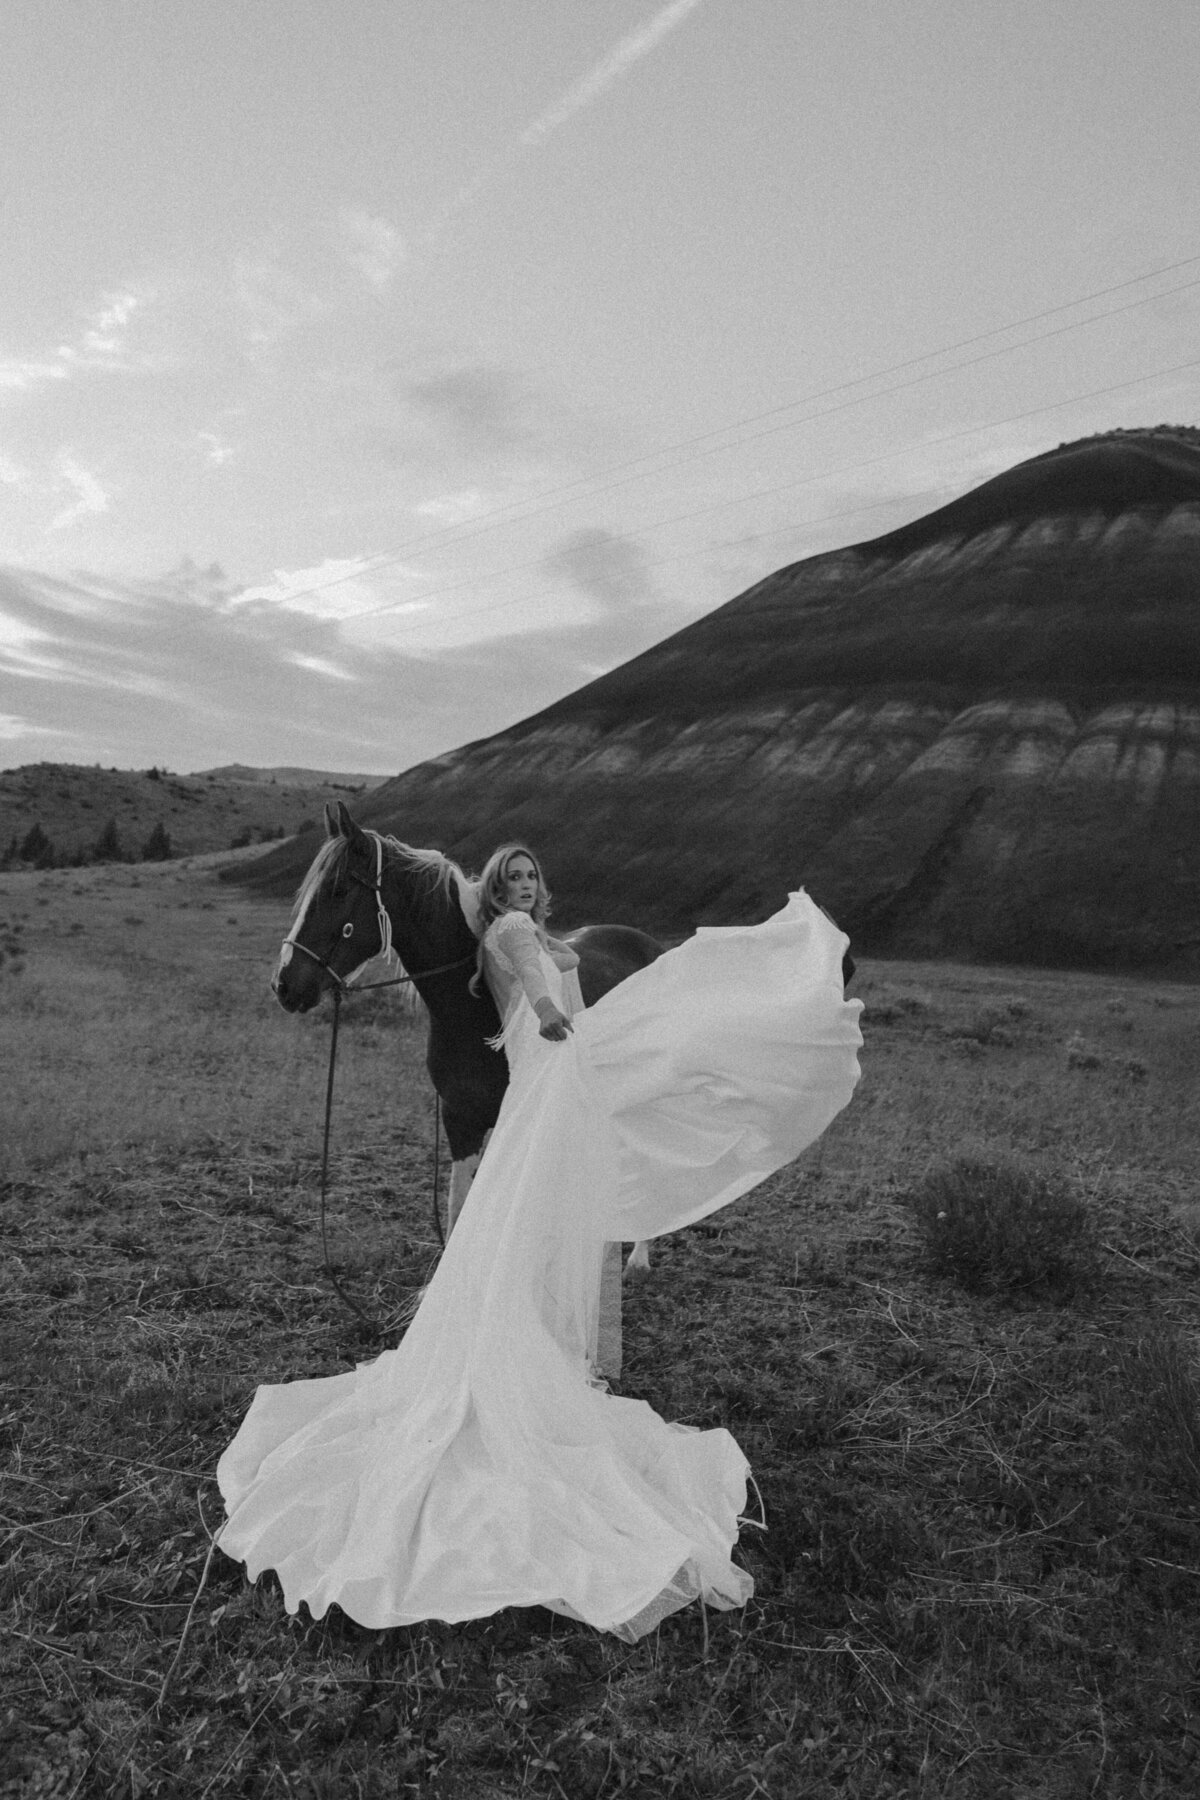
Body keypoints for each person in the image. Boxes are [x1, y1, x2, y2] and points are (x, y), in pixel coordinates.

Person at [217, 848, 863, 1642]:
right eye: (511, 881)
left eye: (530, 880)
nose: (523, 890)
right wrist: (569, 1022)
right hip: (554, 1066)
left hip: (537, 1074)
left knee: (515, 1201)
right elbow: (542, 1001)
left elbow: (531, 971)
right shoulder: (515, 931)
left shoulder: (511, 930)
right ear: (495, 891)